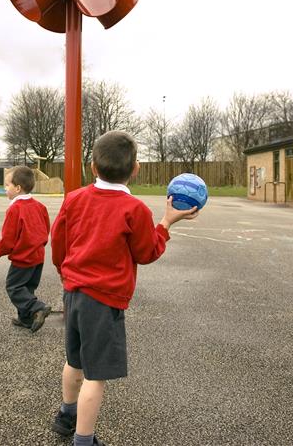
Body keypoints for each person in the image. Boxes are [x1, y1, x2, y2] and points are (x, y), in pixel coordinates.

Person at [50, 131, 199, 446]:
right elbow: (147, 253)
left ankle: (66, 415)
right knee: (95, 375)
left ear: (93, 167)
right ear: (136, 169)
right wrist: (166, 223)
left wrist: (66, 273)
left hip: (73, 292)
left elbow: (58, 243)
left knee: (74, 361)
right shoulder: (135, 209)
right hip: (103, 302)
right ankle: (84, 439)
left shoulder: (74, 199)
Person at [0, 166, 52, 332]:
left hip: (23, 258)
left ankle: (37, 307)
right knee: (27, 288)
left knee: (14, 287)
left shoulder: (15, 209)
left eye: (7, 185)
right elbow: (46, 229)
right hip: (38, 256)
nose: (5, 189)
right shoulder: (40, 206)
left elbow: (8, 240)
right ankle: (25, 319)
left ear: (17, 188)